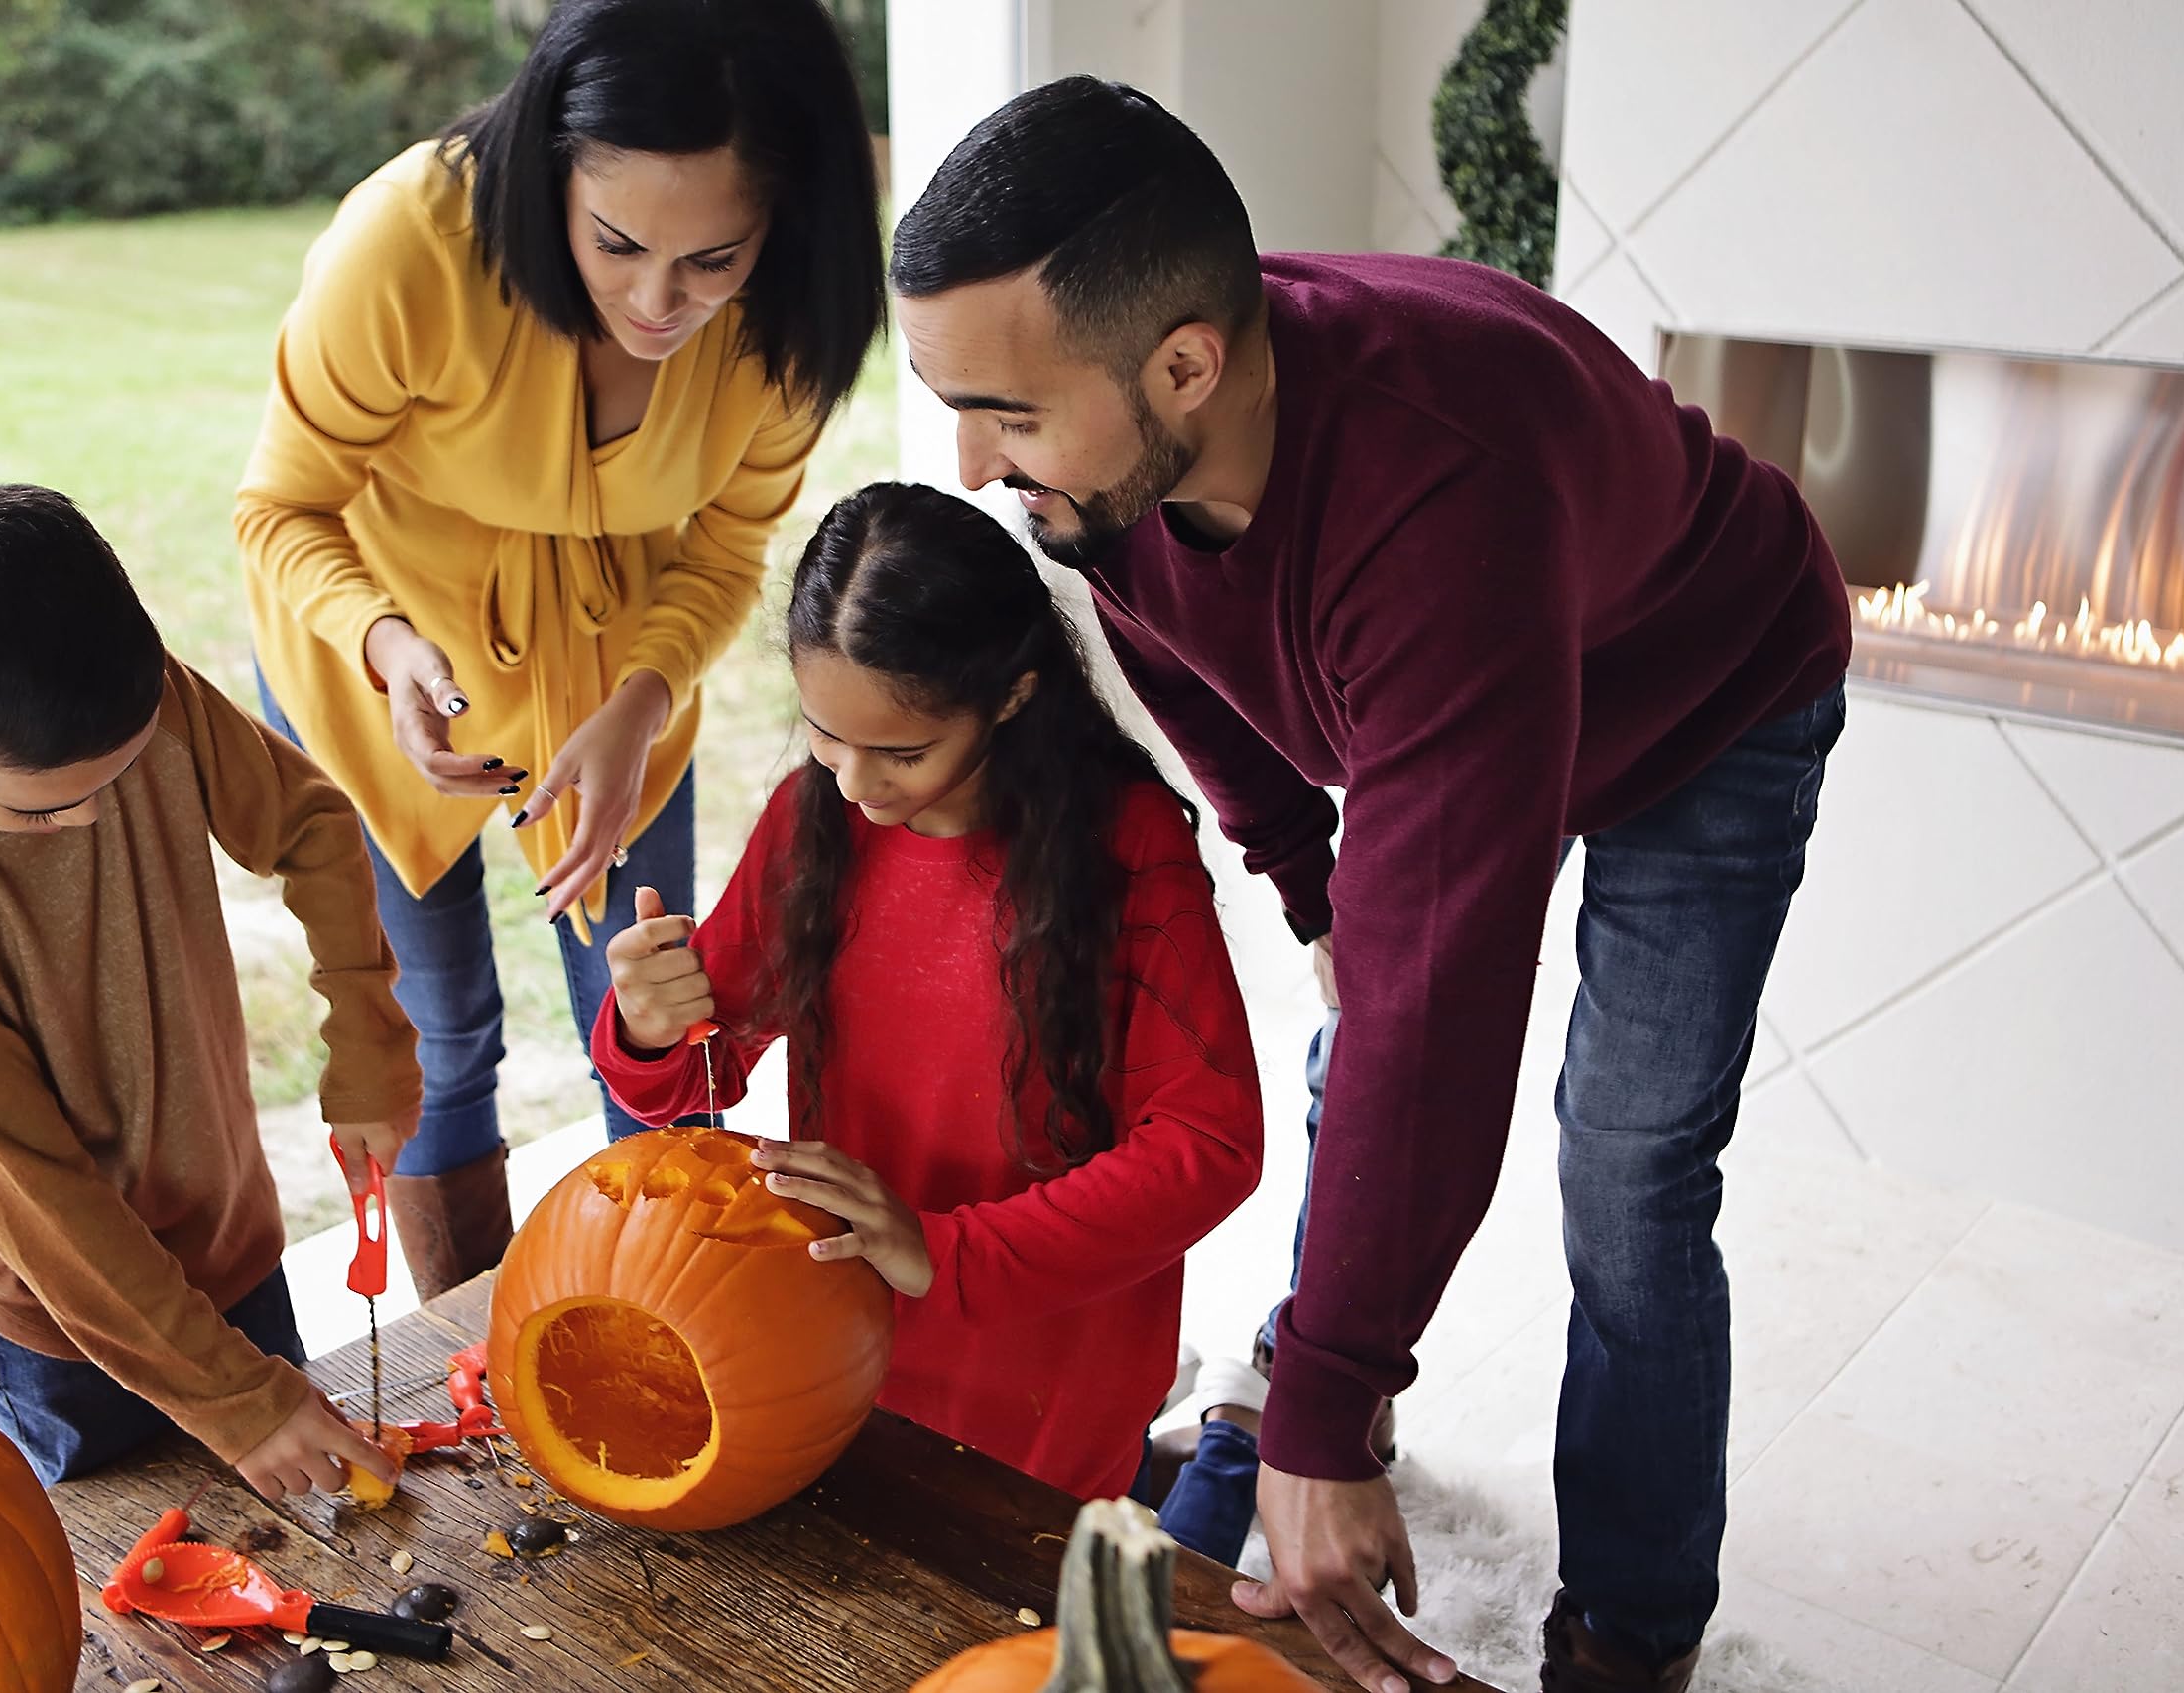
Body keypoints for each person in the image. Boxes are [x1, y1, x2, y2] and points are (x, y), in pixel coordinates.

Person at [889, 77, 1853, 1693]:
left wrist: (1324, 1414)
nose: (975, 461)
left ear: (1186, 362)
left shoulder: (1436, 511)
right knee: (1360, 1034)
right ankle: (1328, 1386)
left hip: (1710, 696)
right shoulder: (1103, 469)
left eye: (1007, 411)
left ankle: (1631, 1619)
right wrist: (1312, 887)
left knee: (1626, 1167)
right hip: (1498, 684)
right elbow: (1186, 667)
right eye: (953, 403)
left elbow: (1442, 1017)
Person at [236, 0, 885, 1299]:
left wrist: (642, 700)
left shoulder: (789, 320)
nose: (660, 302)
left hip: (620, 674)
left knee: (651, 1012)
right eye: (618, 244)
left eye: (714, 260)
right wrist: (388, 646)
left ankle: (666, 1317)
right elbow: (279, 508)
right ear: (551, 169)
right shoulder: (407, 244)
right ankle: (472, 1339)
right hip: (381, 650)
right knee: (439, 1025)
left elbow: (724, 550)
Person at [591, 481, 1270, 1562]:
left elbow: (1208, 1148)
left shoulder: (1123, 850)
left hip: (1052, 1362)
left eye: (900, 753)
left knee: (1070, 1582)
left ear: (1010, 699)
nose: (855, 784)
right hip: (846, 1341)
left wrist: (946, 1251)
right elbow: (688, 1080)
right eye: (826, 736)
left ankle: (1234, 1437)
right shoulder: (812, 820)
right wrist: (648, 1025)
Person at [0, 485, 419, 1498]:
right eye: (41, 811)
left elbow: (310, 822)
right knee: (130, 1579)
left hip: (228, 1232)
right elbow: (32, 1187)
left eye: (119, 777)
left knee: (314, 1533)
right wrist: (233, 1398)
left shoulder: (135, 698)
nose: (90, 819)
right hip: (53, 1306)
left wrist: (370, 1051)